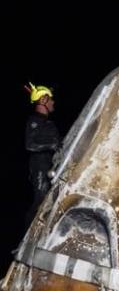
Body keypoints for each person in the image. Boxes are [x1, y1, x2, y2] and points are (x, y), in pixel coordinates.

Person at [24, 82, 60, 225]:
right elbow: (30, 144)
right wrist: (53, 145)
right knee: (41, 201)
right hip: (40, 168)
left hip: (49, 167)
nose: (53, 101)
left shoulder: (47, 123)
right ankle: (28, 236)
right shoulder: (35, 120)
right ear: (43, 100)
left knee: (50, 202)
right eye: (50, 99)